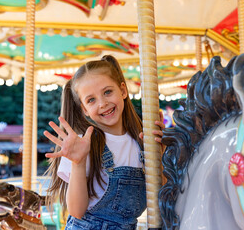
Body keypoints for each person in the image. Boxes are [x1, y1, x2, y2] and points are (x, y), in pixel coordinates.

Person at [44, 55, 165, 230]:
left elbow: (162, 195)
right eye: (91, 100)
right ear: (84, 110)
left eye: (108, 92)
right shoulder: (82, 144)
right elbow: (76, 211)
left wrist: (160, 153)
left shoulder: (140, 141)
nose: (103, 103)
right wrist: (77, 162)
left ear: (123, 91)